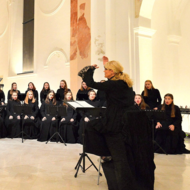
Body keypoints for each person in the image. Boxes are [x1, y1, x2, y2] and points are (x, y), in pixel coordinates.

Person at [78, 56, 155, 190]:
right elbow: (110, 80)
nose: (104, 72)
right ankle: (106, 153)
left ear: (112, 72)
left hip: (115, 120)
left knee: (90, 126)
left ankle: (105, 153)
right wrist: (105, 65)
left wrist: (90, 69)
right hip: (126, 121)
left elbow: (90, 82)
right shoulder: (124, 83)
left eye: (106, 70)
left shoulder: (113, 84)